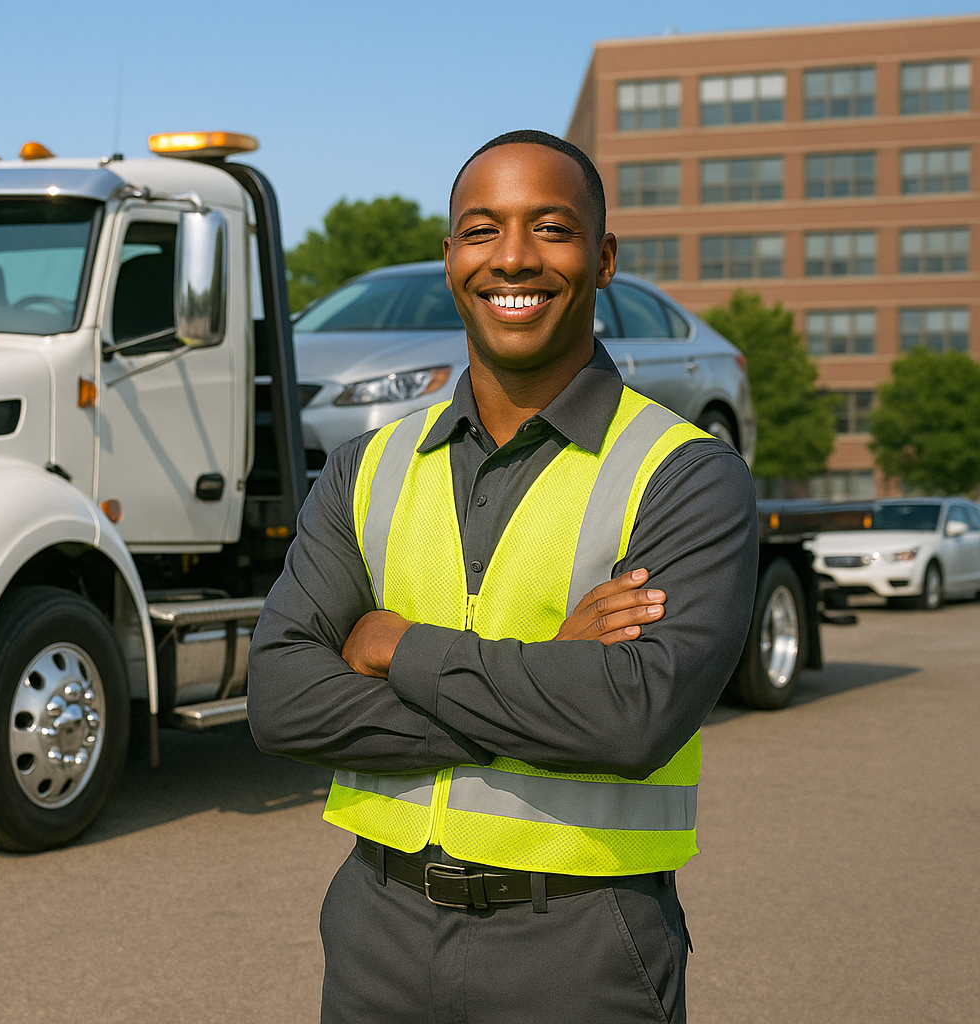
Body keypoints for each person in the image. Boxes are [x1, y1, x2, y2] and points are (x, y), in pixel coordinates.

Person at [246, 129, 758, 1023]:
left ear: (601, 260)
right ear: (451, 258)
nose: (512, 257)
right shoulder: (366, 466)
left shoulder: (685, 473)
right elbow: (284, 700)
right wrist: (539, 674)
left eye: (550, 228)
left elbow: (629, 719)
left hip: (582, 944)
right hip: (376, 931)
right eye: (482, 230)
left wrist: (395, 645)